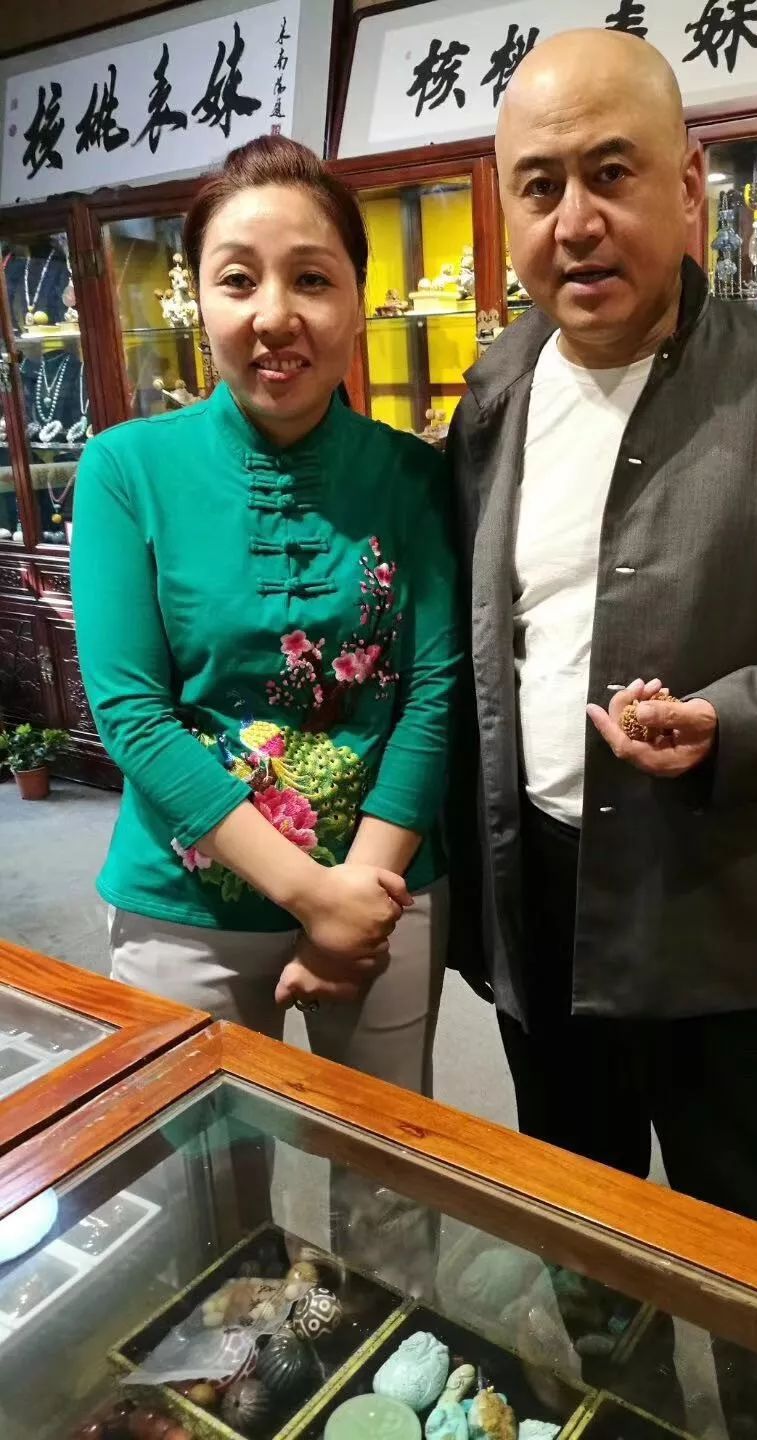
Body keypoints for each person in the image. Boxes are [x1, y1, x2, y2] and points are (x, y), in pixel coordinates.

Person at [447, 29, 757, 1434]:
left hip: (717, 899)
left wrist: (736, 719)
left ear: (690, 188)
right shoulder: (495, 390)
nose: (576, 220)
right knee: (587, 1230)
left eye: (612, 173)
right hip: (539, 897)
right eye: (540, 185)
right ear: (509, 211)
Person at [71, 136, 459, 1100]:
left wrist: (353, 901)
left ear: (358, 300)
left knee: (387, 1161)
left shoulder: (417, 477)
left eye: (312, 279)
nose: (274, 315)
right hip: (184, 902)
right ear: (198, 301)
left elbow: (435, 692)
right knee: (196, 1171)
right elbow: (131, 713)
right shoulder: (124, 470)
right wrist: (313, 896)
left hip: (383, 888)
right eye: (238, 279)